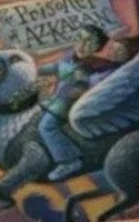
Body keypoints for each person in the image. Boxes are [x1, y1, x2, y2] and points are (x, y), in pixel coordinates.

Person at [38, 25, 116, 181]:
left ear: (97, 47)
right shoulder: (69, 56)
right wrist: (35, 70)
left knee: (46, 126)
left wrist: (83, 83)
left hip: (73, 105)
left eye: (89, 42)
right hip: (58, 99)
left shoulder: (97, 66)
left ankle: (69, 160)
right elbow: (56, 67)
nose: (82, 45)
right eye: (80, 38)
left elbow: (94, 85)